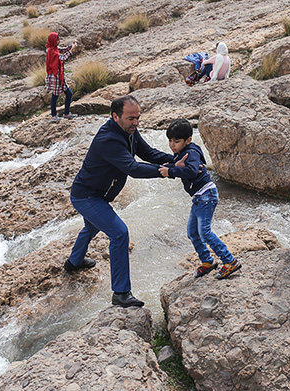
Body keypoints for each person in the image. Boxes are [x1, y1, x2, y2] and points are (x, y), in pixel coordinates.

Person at [65, 95, 185, 307]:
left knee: (91, 227)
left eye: (137, 117)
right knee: (119, 233)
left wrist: (174, 159)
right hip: (86, 196)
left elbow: (147, 152)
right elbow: (133, 168)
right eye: (131, 118)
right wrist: (169, 171)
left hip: (98, 195)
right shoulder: (108, 140)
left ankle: (74, 262)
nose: (136, 122)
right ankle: (121, 293)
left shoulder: (129, 131)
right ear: (115, 116)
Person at [159, 119, 241, 279]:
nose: (172, 145)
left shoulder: (191, 152)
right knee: (192, 232)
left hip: (206, 195)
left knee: (204, 232)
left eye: (177, 141)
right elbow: (180, 166)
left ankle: (230, 261)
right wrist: (170, 168)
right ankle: (207, 261)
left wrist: (171, 171)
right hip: (199, 197)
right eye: (170, 140)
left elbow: (191, 170)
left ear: (188, 140)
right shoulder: (181, 152)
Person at [45, 32, 77, 122]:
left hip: (60, 76)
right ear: (53, 40)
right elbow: (63, 58)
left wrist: (71, 45)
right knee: (55, 96)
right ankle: (53, 116)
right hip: (55, 77)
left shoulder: (54, 48)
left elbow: (63, 49)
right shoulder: (51, 51)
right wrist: (72, 50)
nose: (59, 41)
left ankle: (66, 113)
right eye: (57, 39)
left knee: (69, 94)